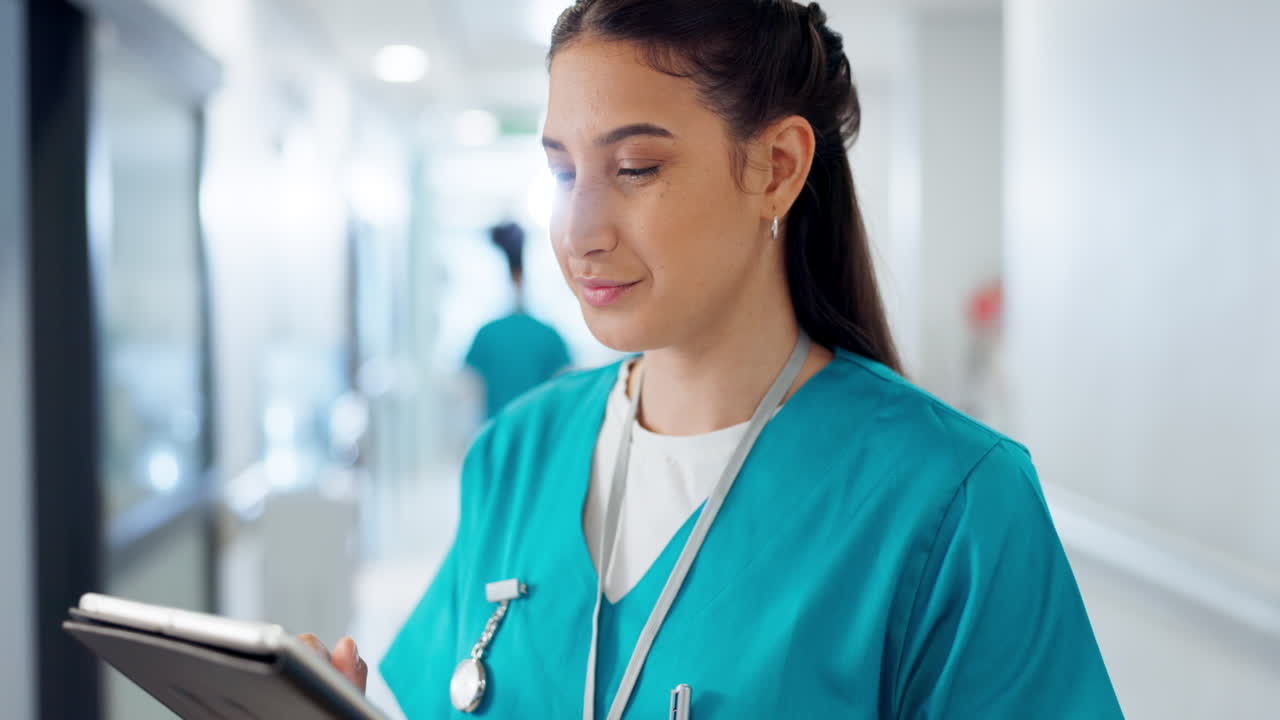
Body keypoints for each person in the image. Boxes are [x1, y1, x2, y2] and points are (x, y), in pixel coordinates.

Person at [308, 1, 1124, 717]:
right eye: (562, 171)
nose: (578, 231)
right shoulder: (516, 455)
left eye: (635, 169)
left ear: (777, 169)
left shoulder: (951, 504)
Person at [464, 221, 572, 419]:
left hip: (496, 433)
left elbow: (470, 393)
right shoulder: (548, 334)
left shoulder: (487, 334)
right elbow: (565, 389)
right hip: (539, 435)